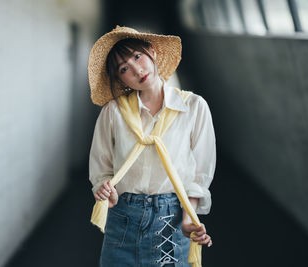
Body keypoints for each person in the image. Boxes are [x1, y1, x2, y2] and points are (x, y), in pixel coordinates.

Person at [88, 26, 216, 267]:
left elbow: (199, 175)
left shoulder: (194, 107)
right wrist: (107, 192)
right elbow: (101, 169)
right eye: (124, 68)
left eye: (137, 56)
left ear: (152, 52)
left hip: (172, 218)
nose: (136, 70)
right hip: (122, 220)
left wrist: (189, 219)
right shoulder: (113, 113)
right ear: (120, 79)